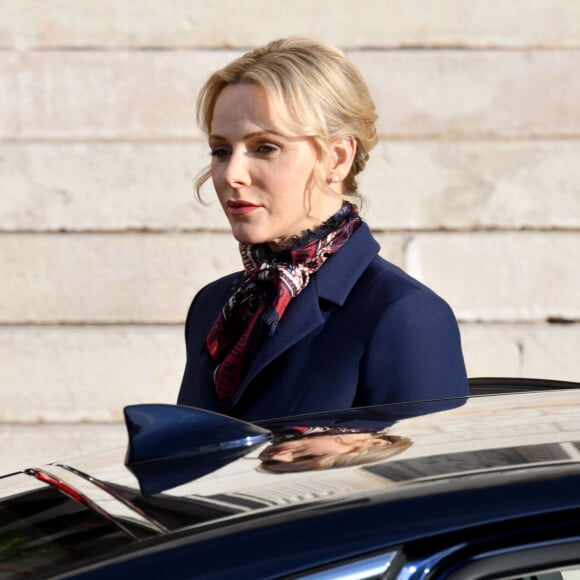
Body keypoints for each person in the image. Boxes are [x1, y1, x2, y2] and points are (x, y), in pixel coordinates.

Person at [177, 37, 468, 421]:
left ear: (337, 157)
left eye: (265, 147)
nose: (231, 174)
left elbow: (433, 480)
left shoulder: (404, 315)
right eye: (221, 150)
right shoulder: (214, 305)